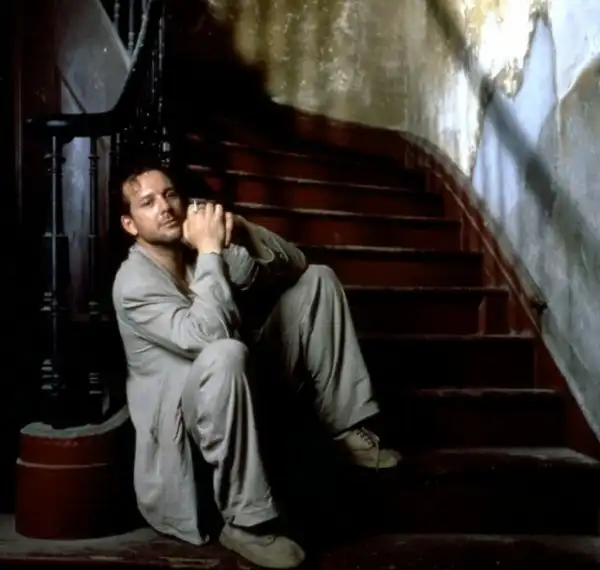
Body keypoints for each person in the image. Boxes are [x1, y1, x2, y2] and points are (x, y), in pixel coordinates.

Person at [112, 165, 401, 569]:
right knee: (225, 353)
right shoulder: (134, 284)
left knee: (318, 280)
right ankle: (245, 523)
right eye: (148, 202)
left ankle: (346, 427)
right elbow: (208, 336)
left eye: (170, 194)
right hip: (188, 430)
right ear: (130, 224)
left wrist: (242, 230)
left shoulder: (198, 250)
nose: (165, 207)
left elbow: (297, 262)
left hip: (244, 398)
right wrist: (210, 252)